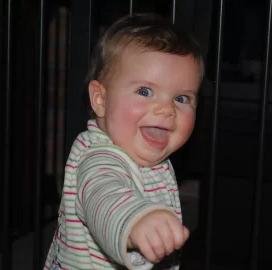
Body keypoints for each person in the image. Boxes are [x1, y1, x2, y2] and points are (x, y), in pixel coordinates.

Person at [44, 13, 204, 270]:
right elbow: (105, 197)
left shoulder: (148, 158)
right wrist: (135, 221)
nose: (166, 109)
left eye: (182, 98)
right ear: (100, 99)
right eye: (145, 91)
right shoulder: (98, 158)